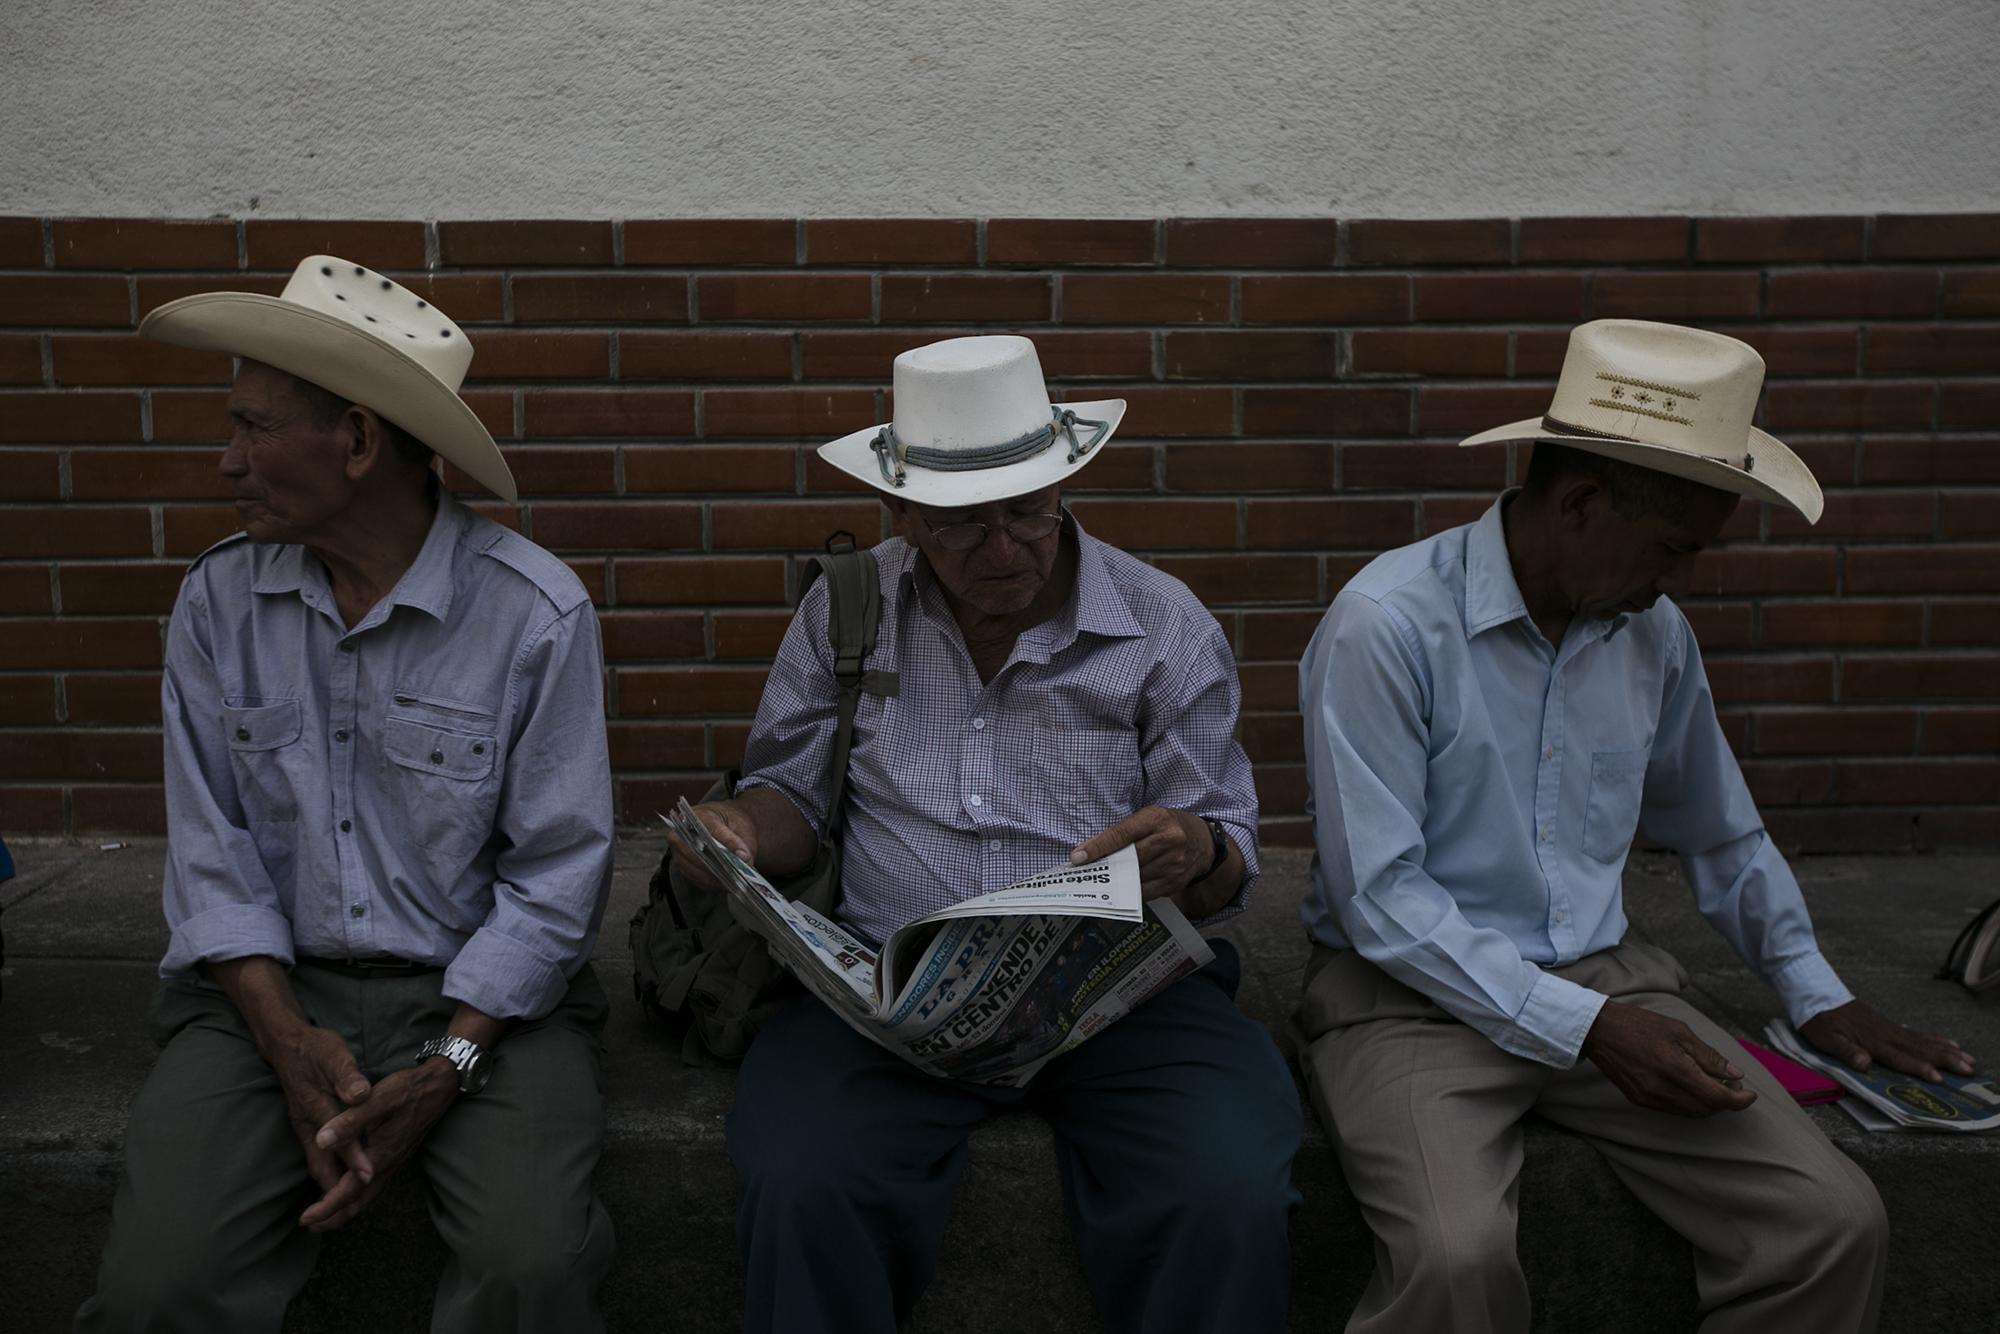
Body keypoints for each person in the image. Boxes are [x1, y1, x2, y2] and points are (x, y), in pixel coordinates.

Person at [1296, 318, 1975, 1334]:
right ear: (1578, 502)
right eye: (1672, 546)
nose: (1681, 578)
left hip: (1605, 981)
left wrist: (1814, 992)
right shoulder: (1386, 622)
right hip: (1405, 998)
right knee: (1452, 1258)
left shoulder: (1649, 632)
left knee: (1829, 1219)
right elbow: (1381, 900)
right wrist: (1588, 1026)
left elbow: (1719, 831)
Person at [672, 335, 1301, 1334]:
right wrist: (739, 828)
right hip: (890, 992)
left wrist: (1191, 847)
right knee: (801, 1180)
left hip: (1118, 994)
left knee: (1225, 1187)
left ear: (1066, 483)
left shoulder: (1162, 623)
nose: (1002, 550)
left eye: (1026, 514)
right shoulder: (847, 611)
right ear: (903, 515)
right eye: (961, 526)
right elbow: (792, 799)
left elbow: (1225, 863)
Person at [76, 256, 617, 1332]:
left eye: (252, 427)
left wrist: (451, 1058)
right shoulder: (218, 599)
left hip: (478, 1005)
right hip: (260, 995)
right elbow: (211, 851)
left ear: (361, 442)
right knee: (157, 1284)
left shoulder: (532, 613)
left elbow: (556, 875)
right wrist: (279, 1030)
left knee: (530, 1267)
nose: (226, 459)